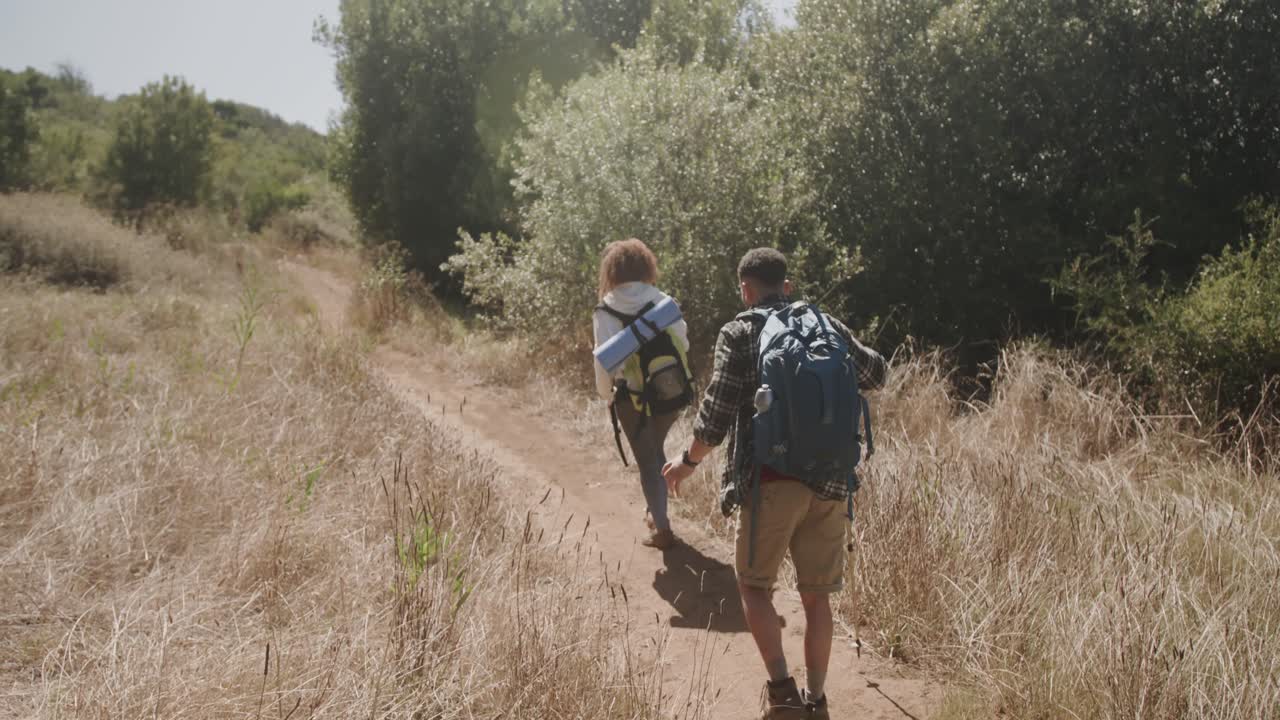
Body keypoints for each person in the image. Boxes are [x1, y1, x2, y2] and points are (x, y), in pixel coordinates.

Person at [662, 248, 886, 719]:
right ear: (786, 285)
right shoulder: (824, 323)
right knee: (816, 596)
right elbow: (876, 373)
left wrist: (687, 461)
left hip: (771, 479)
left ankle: (783, 695)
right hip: (831, 480)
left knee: (753, 587)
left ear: (745, 289)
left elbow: (716, 413)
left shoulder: (740, 331)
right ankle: (818, 700)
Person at [594, 238, 692, 550]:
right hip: (670, 389)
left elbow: (604, 360)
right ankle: (656, 511)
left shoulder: (605, 307)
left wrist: (604, 395)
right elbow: (684, 344)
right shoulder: (663, 301)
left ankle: (661, 529)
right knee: (654, 450)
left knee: (648, 460)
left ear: (612, 270)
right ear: (646, 265)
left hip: (630, 398)